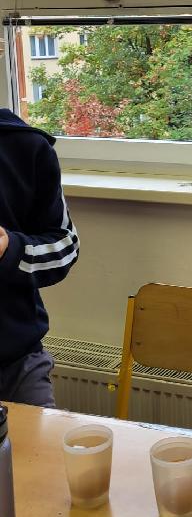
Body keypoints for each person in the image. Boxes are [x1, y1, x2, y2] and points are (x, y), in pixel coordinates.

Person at [0, 108, 79, 407]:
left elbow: (65, 245)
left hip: (16, 365)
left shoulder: (25, 147)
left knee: (41, 438)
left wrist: (11, 250)